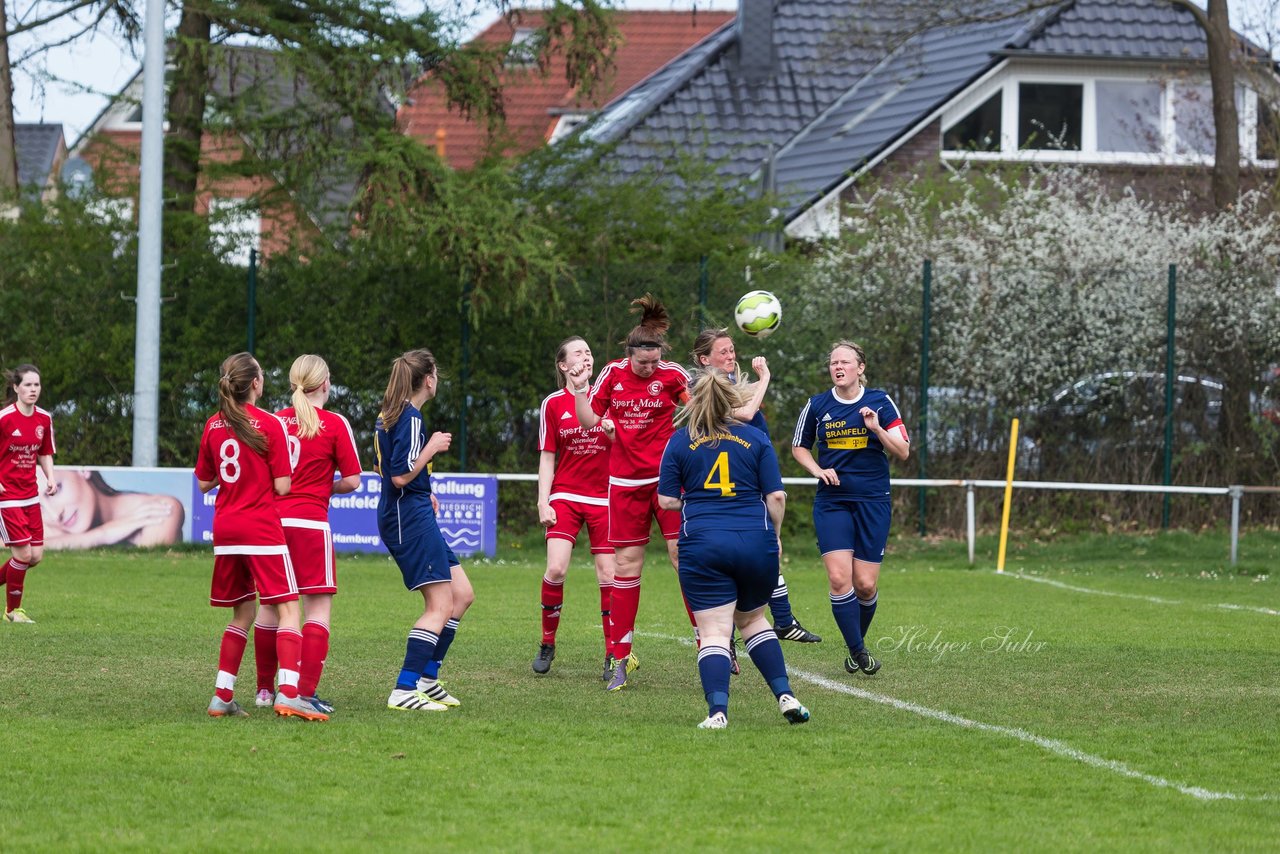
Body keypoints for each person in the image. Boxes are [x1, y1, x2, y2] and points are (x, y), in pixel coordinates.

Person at [657, 369, 810, 729]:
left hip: (704, 544)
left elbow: (665, 501)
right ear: (734, 400)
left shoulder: (680, 441)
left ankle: (718, 713)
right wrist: (774, 534)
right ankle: (786, 695)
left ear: (692, 400)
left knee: (713, 632)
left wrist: (699, 502)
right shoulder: (755, 438)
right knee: (754, 621)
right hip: (755, 544)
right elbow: (775, 497)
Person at [195, 352, 325, 720]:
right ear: (254, 384)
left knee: (243, 613)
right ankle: (288, 692)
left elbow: (205, 481)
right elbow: (283, 485)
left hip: (225, 528)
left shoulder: (212, 425)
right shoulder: (269, 423)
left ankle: (222, 696)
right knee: (288, 608)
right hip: (259, 526)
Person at [571, 294, 690, 691]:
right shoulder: (611, 375)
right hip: (624, 485)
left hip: (668, 481)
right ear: (629, 355)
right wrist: (580, 395)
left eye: (655, 361)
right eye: (643, 362)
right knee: (626, 568)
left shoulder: (673, 376)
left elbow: (694, 410)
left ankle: (711, 642)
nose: (650, 367)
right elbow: (589, 420)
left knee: (682, 557)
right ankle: (621, 657)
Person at [690, 327, 822, 645]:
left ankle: (784, 619)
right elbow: (745, 414)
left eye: (732, 349)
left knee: (764, 544)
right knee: (755, 546)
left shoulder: (733, 381)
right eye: (723, 352)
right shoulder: (700, 388)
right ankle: (736, 627)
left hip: (755, 457)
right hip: (734, 468)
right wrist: (764, 378)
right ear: (703, 359)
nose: (731, 356)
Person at [251, 355, 362, 714]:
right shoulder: (333, 423)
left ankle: (265, 691)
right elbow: (353, 479)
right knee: (317, 610)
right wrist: (322, 488)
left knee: (270, 608)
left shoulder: (273, 421)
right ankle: (303, 692)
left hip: (271, 525)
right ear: (326, 383)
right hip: (311, 526)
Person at [791, 341, 910, 677]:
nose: (838, 367)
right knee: (839, 578)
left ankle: (856, 643)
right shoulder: (817, 405)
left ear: (860, 368)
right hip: (833, 501)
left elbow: (903, 451)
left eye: (845, 362)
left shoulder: (880, 401)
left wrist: (876, 429)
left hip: (873, 501)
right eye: (833, 363)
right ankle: (858, 650)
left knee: (866, 585)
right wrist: (817, 470)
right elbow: (799, 447)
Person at [375, 349, 476, 712]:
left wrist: (423, 491)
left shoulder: (393, 414)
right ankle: (404, 689)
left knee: (462, 594)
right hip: (408, 519)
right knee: (440, 604)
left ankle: (428, 679)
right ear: (428, 378)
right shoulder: (411, 418)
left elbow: (382, 468)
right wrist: (431, 448)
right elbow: (399, 474)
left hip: (412, 511)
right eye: (436, 373)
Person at [532, 336, 617, 678]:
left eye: (589, 351)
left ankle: (613, 654)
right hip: (565, 495)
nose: (587, 356)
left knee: (609, 576)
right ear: (564, 366)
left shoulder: (610, 397)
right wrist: (542, 501)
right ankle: (547, 642)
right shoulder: (553, 403)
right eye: (578, 352)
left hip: (606, 498)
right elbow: (547, 457)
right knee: (556, 570)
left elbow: (627, 445)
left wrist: (613, 431)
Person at [0, 364, 58, 624]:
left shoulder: (44, 418)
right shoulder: (4, 418)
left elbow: (44, 452)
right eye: (27, 385)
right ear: (16, 388)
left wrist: (51, 478)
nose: (33, 390)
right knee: (22, 556)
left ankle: (13, 608)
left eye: (36, 385)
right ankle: (13, 612)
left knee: (34, 557)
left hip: (31, 496)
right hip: (7, 496)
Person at [40, 469, 183, 549]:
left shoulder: (159, 511)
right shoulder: (49, 526)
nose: (54, 515)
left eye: (55, 491)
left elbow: (145, 590)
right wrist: (102, 535)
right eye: (38, 507)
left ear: (82, 470)